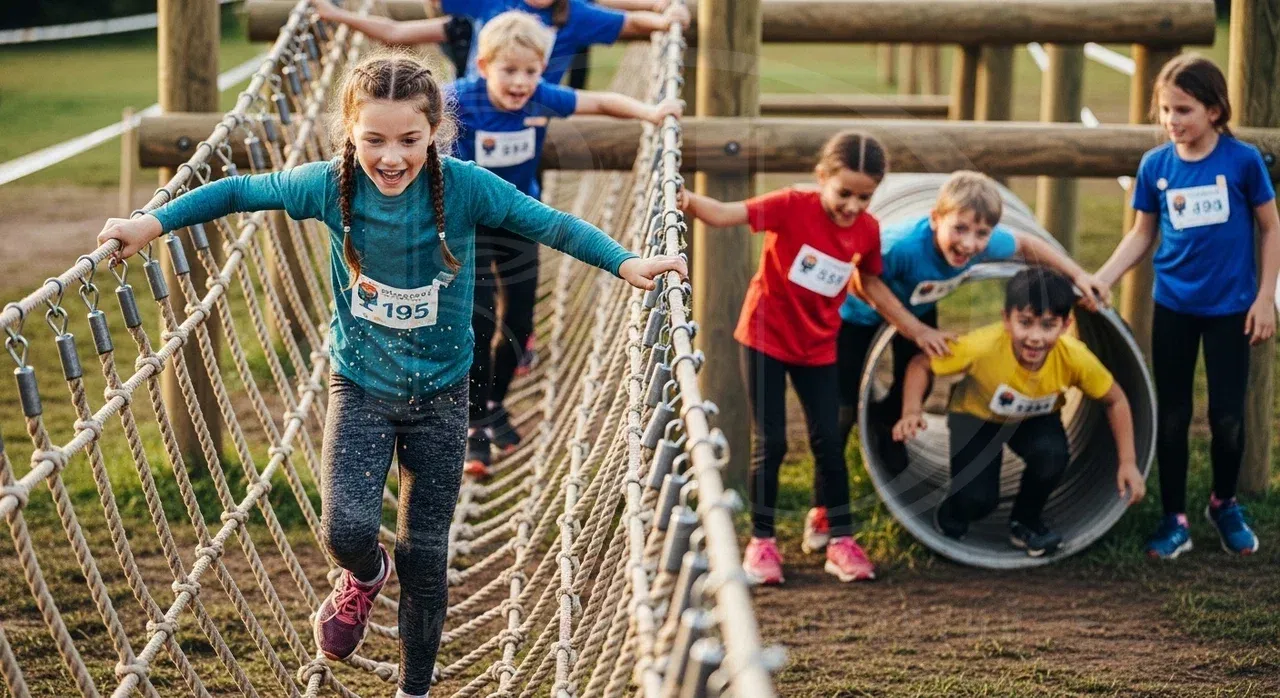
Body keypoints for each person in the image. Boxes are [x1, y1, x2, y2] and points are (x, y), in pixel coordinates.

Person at [97, 53, 685, 698]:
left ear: (435, 132)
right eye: (373, 139)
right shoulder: (329, 186)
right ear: (350, 132)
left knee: (425, 555)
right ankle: (363, 575)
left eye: (409, 139)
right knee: (344, 531)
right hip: (361, 387)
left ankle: (414, 687)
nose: (392, 156)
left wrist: (625, 263)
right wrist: (149, 223)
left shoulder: (466, 187)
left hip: (442, 395)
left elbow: (551, 224)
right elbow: (239, 190)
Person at [812, 171, 1110, 553]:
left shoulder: (984, 242)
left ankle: (888, 425)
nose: (969, 243)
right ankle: (823, 508)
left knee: (916, 379)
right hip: (855, 317)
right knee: (839, 411)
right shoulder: (902, 245)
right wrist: (914, 329)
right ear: (935, 219)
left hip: (917, 306)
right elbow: (862, 280)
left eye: (981, 234)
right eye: (960, 229)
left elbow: (1026, 244)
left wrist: (1078, 274)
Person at [449, 11, 684, 476]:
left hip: (517, 216)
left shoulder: (540, 97)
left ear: (542, 70)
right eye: (509, 71)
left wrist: (650, 112)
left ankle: (494, 402)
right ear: (483, 65)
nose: (520, 82)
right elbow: (415, 107)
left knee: (520, 320)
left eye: (531, 71)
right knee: (478, 316)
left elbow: (600, 102)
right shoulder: (458, 98)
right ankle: (473, 420)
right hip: (468, 221)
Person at [678, 131, 887, 585]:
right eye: (844, 193)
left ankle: (839, 538)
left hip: (819, 346)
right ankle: (762, 542)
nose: (852, 206)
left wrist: (912, 326)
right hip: (765, 338)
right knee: (771, 442)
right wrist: (686, 200)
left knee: (828, 440)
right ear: (822, 177)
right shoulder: (792, 205)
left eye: (864, 197)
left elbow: (870, 282)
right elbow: (727, 214)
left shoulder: (868, 230)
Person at [1095, 54, 1280, 559]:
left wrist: (1265, 298)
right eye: (1165, 110)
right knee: (1173, 416)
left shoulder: (1243, 162)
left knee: (1228, 419)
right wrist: (1103, 278)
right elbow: (1141, 235)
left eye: (1183, 110)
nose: (1171, 121)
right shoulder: (1155, 166)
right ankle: (1174, 517)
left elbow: (1271, 227)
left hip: (1232, 311)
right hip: (1174, 308)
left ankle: (1224, 503)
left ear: (1214, 110)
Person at [892, 267, 1145, 558]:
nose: (1035, 337)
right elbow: (920, 364)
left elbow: (1116, 400)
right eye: (1025, 323)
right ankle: (953, 512)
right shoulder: (983, 346)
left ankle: (1025, 522)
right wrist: (911, 411)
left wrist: (1128, 462)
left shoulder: (1074, 357)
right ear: (1006, 320)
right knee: (979, 499)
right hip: (976, 418)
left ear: (1066, 325)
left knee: (1052, 456)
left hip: (1034, 418)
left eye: (1048, 325)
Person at [314, 0, 690, 86]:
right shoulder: (486, 5)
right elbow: (395, 31)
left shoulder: (575, 13)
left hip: (531, 108)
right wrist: (336, 15)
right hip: (478, 93)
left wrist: (663, 15)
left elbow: (627, 20)